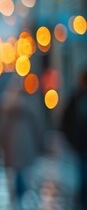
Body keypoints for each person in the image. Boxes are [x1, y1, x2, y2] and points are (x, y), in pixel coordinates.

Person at [62, 72, 87, 209]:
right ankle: (83, 198)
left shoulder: (76, 97)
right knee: (82, 171)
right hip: (82, 143)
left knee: (81, 171)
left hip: (80, 143)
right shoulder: (76, 98)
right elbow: (66, 121)